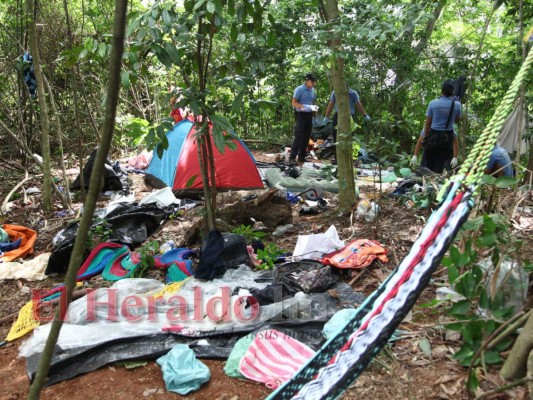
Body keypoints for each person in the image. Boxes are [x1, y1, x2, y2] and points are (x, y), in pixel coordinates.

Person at [413, 82, 462, 173]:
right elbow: (457, 120)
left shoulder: (433, 103)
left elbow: (428, 123)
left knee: (427, 164)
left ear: (441, 91)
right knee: (440, 164)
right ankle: (436, 181)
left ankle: (424, 182)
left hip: (433, 135)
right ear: (452, 93)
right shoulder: (457, 105)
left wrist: (426, 137)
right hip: (447, 136)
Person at [290, 73, 318, 165]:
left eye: (314, 82)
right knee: (298, 136)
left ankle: (302, 156)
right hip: (300, 114)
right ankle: (292, 158)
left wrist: (314, 115)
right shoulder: (300, 89)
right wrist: (303, 106)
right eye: (312, 81)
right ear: (307, 81)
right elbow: (294, 102)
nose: (314, 83)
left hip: (309, 115)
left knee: (306, 136)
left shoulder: (313, 90)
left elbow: (313, 101)